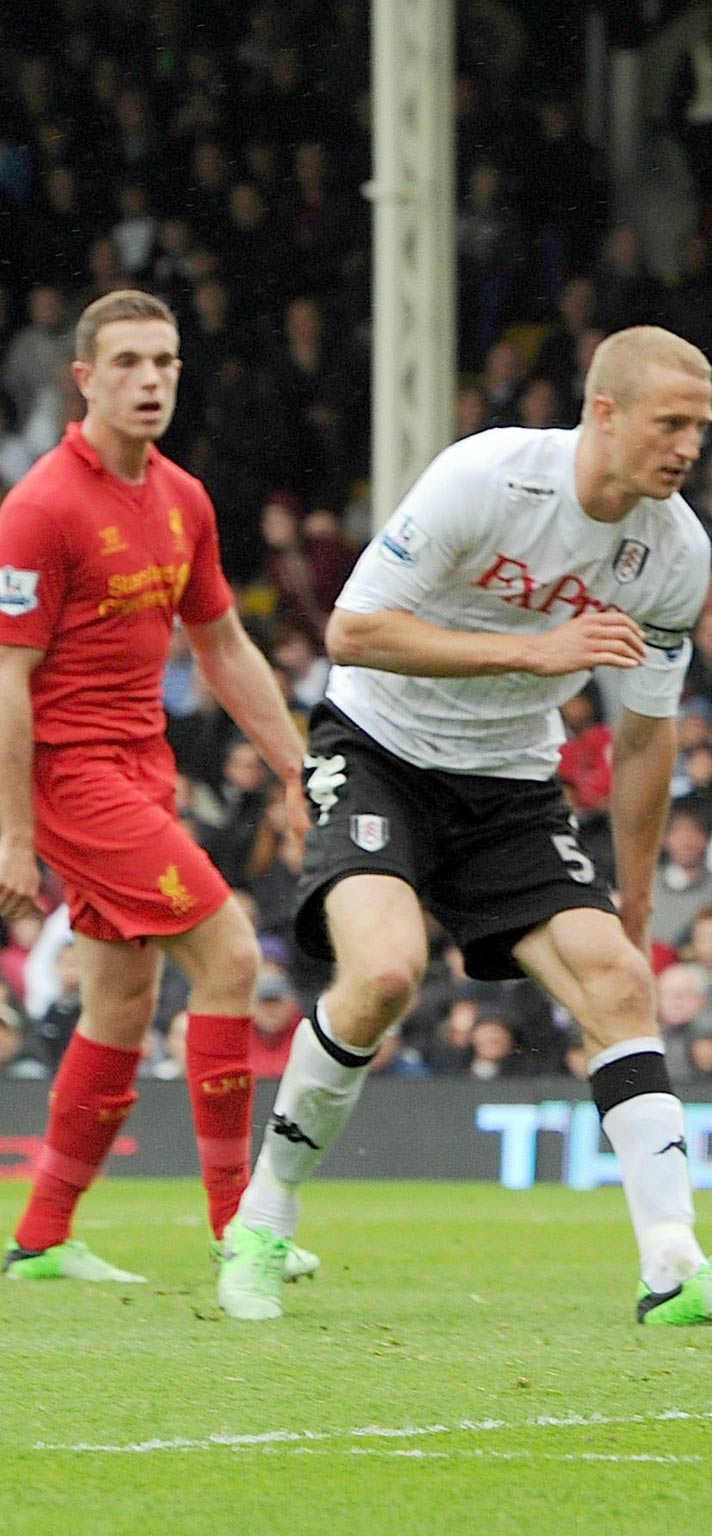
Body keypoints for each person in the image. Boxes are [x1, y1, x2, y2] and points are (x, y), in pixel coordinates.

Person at [218, 327, 712, 1328]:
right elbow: (352, 631)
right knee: (384, 975)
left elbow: (643, 738)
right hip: (377, 749)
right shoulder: (486, 477)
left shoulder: (673, 551)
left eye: (700, 429)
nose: (688, 447)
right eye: (670, 423)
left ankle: (673, 1266)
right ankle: (264, 1214)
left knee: (619, 983)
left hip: (508, 785)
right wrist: (534, 656)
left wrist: (634, 898)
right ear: (605, 411)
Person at [1, 292, 314, 1286]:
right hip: (74, 778)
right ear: (84, 378)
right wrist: (13, 835)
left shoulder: (183, 497)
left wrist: (300, 765)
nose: (149, 380)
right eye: (127, 362)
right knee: (228, 956)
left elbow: (221, 645)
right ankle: (239, 1230)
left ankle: (41, 1241)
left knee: (121, 1005)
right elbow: (6, 676)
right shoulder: (42, 506)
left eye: (164, 362)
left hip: (143, 771)